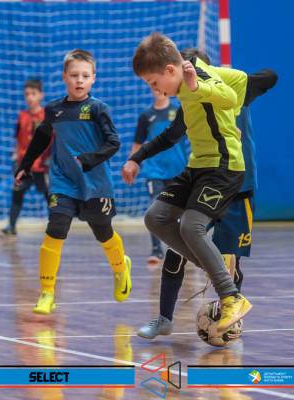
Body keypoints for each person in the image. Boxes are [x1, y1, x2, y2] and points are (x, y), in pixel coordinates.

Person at [136, 47, 278, 339]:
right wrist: (137, 158)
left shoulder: (227, 90)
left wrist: (225, 81)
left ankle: (231, 316)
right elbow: (171, 135)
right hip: (206, 179)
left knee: (231, 258)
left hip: (238, 183)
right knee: (178, 247)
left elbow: (270, 76)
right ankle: (165, 317)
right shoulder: (188, 101)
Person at [15, 49, 132, 314]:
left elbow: (113, 143)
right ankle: (47, 292)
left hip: (96, 184)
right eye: (74, 75)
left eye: (85, 76)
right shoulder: (54, 109)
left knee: (103, 233)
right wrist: (25, 164)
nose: (80, 80)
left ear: (93, 79)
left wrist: (90, 159)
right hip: (63, 181)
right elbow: (42, 137)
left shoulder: (98, 108)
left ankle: (120, 267)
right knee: (55, 230)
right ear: (64, 77)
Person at [131, 90, 189, 264]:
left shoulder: (180, 110)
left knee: (181, 211)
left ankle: (182, 248)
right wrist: (132, 162)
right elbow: (138, 143)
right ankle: (157, 250)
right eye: (154, 84)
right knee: (154, 209)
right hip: (154, 171)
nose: (159, 89)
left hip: (178, 170)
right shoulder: (146, 116)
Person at [0, 79, 50, 238]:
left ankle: (57, 226)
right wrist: (16, 157)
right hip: (24, 166)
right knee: (17, 194)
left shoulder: (46, 116)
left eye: (33, 93)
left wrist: (52, 159)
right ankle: (11, 227)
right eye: (27, 94)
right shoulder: (22, 116)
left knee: (50, 196)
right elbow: (19, 139)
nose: (30, 97)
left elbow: (53, 140)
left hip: (42, 166)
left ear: (41, 95)